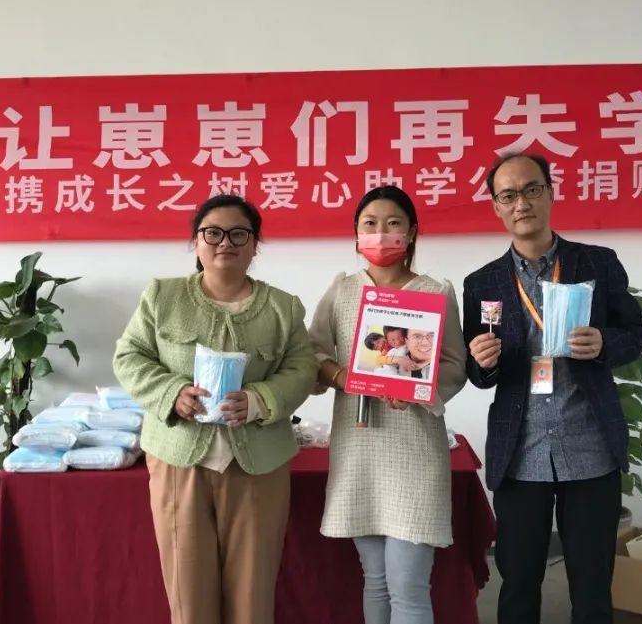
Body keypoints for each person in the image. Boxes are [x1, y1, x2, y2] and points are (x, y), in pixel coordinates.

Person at [462, 153, 642, 624]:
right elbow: (478, 373)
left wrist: (604, 342)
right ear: (496, 207)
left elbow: (636, 332)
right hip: (520, 452)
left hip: (590, 446)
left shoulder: (597, 263)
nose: (521, 203)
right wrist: (481, 362)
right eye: (508, 195)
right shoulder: (481, 283)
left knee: (592, 585)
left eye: (531, 189)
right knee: (518, 582)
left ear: (549, 193)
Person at [113, 194, 316, 624]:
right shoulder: (162, 296)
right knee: (188, 590)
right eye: (213, 233)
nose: (225, 242)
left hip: (258, 464)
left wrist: (259, 400)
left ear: (255, 244)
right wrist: (171, 392)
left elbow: (303, 369)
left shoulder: (283, 307)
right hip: (179, 461)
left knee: (252, 590)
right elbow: (129, 357)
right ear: (196, 242)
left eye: (239, 234)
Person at [309, 185, 467, 624]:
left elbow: (455, 365)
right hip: (358, 451)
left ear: (412, 232)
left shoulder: (435, 290)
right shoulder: (342, 290)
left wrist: (418, 388)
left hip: (415, 452)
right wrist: (342, 376)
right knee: (375, 581)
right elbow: (312, 353)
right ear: (357, 234)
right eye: (370, 224)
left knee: (409, 589)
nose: (381, 234)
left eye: (393, 223)